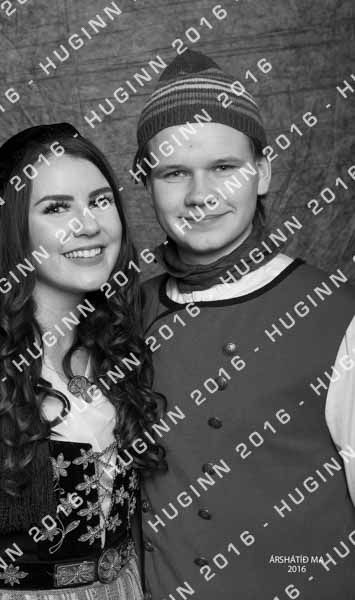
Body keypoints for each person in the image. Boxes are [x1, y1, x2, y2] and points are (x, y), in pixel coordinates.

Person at [133, 50, 355, 599]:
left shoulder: (337, 314)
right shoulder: (124, 314)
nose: (199, 195)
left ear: (264, 173)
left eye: (224, 168)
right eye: (174, 173)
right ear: (147, 184)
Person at [0, 123, 166, 599]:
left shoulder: (115, 340)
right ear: (8, 227)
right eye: (56, 208)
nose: (88, 224)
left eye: (100, 200)